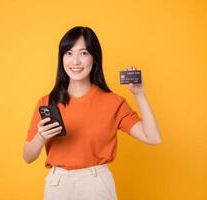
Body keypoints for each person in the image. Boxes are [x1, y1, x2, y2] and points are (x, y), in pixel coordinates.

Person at [23, 26, 161, 200]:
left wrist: (139, 94)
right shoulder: (47, 102)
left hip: (96, 184)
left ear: (94, 58)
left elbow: (153, 137)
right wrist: (41, 137)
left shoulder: (113, 102)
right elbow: (27, 157)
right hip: (57, 185)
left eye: (83, 53)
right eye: (69, 53)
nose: (75, 62)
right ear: (62, 58)